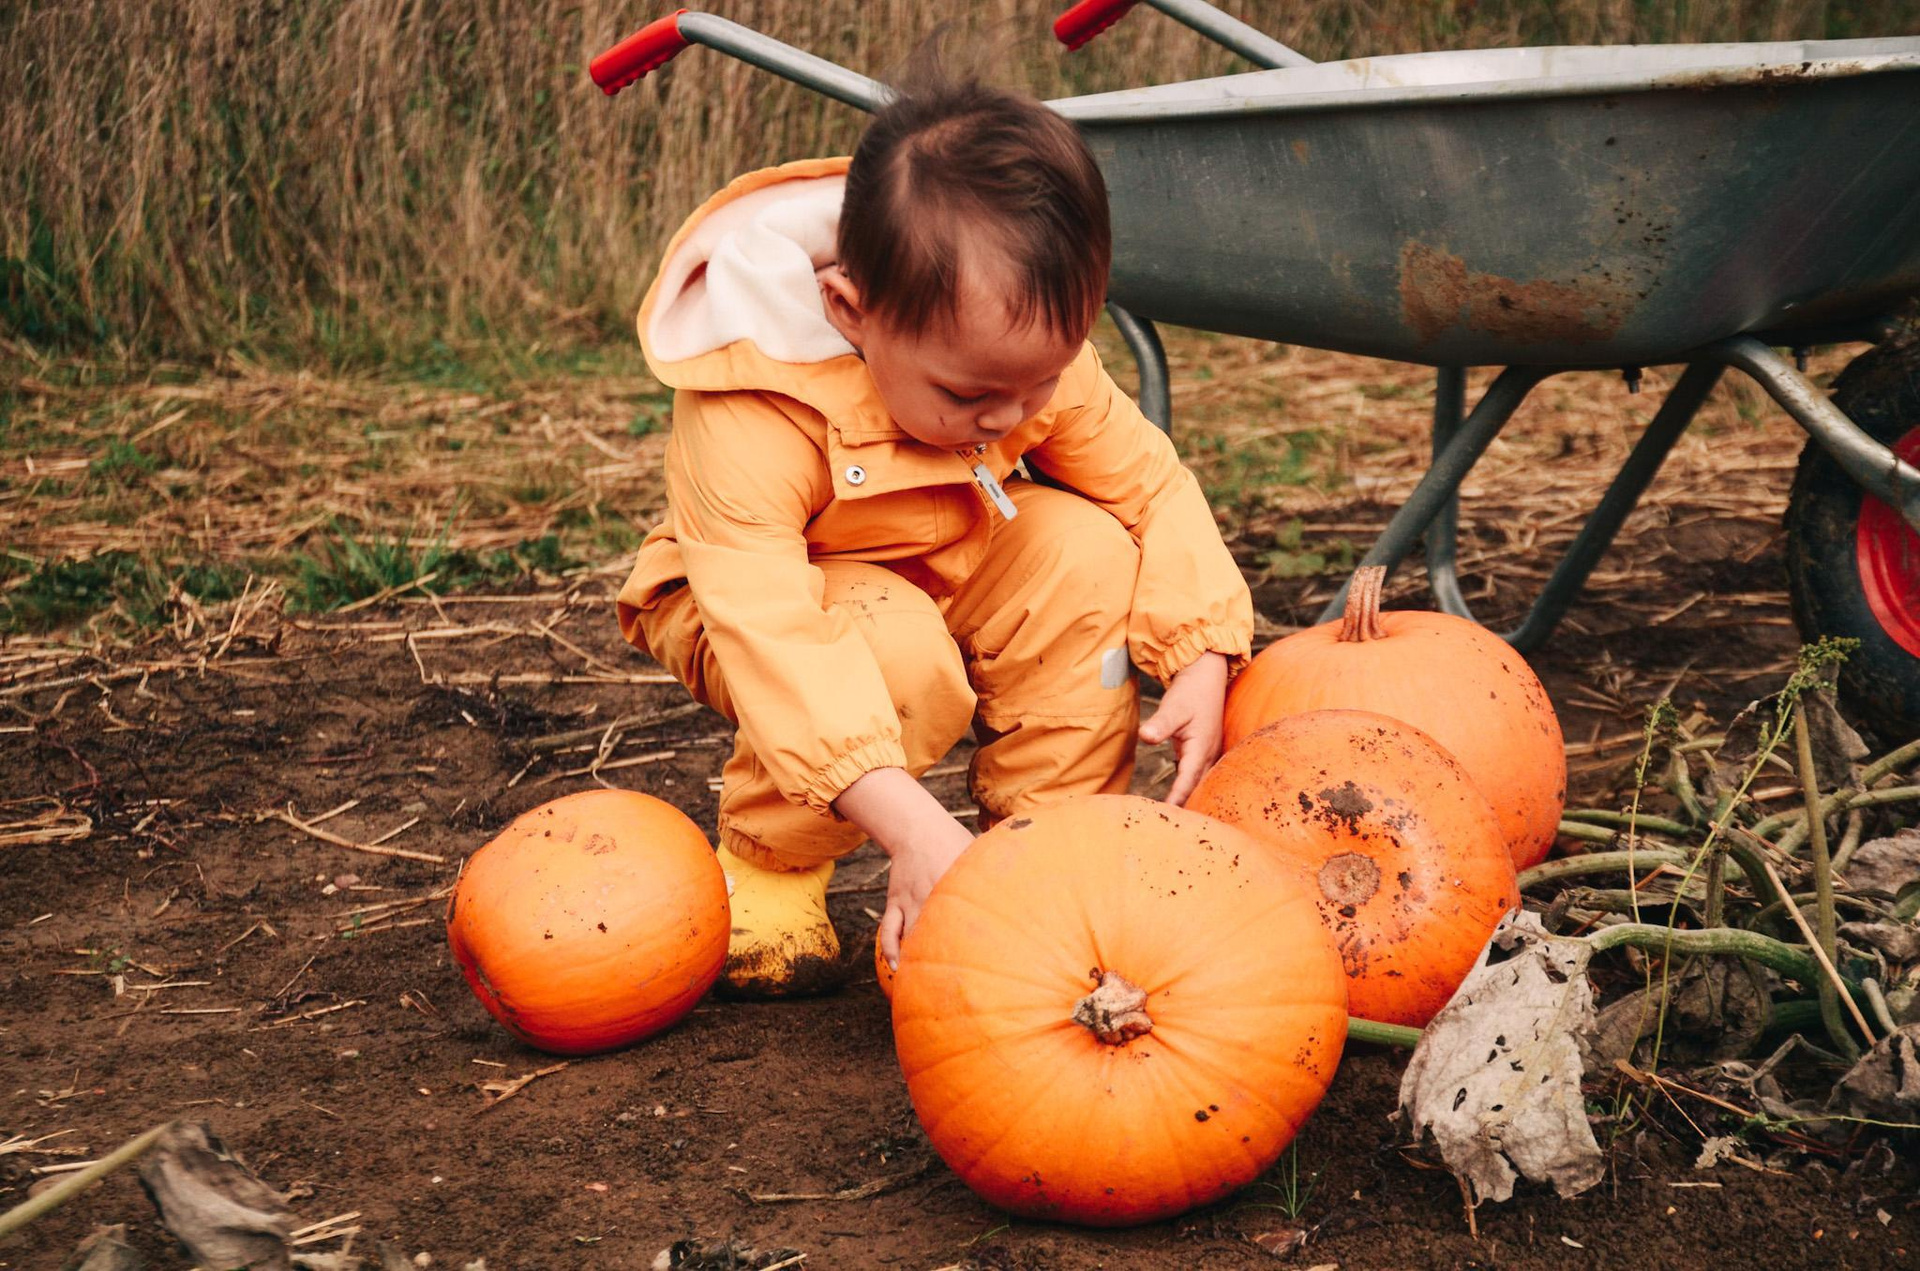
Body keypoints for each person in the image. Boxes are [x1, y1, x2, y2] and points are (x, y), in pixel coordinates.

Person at [616, 68, 1253, 997]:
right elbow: (772, 630)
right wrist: (915, 830)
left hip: (947, 553)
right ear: (850, 310)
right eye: (968, 393)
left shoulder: (1018, 357)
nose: (1010, 415)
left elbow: (1150, 487)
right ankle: (772, 861)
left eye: (1041, 381)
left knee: (1086, 556)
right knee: (895, 647)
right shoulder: (752, 404)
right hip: (753, 607)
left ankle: (1044, 854)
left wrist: (1202, 650)